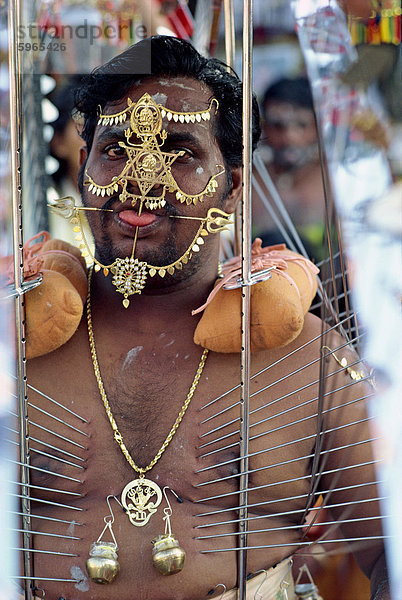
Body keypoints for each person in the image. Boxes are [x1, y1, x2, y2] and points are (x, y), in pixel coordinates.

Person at [26, 36, 389, 599]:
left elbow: (391, 550)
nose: (142, 179)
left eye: (179, 151)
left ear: (233, 183)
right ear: (82, 170)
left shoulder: (308, 358)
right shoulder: (16, 343)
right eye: (117, 148)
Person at [253, 77, 326, 261]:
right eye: (278, 125)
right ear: (264, 127)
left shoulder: (331, 181)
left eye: (301, 125)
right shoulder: (248, 179)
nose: (289, 137)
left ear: (316, 128)